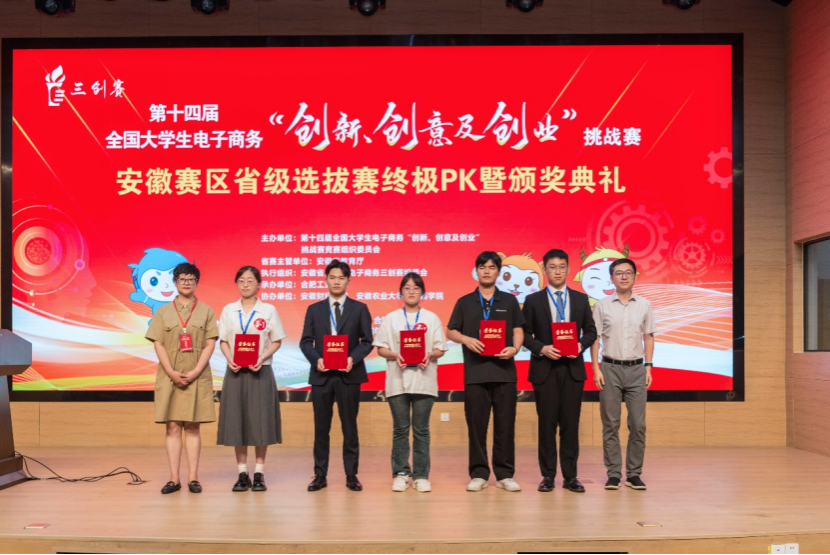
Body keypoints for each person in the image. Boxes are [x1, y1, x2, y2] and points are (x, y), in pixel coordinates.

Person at [447, 251, 525, 493]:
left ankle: (505, 474)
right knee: (476, 428)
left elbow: (518, 329)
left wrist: (515, 348)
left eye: (492, 267)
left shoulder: (509, 301)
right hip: (475, 374)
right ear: (476, 271)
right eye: (482, 267)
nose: (487, 271)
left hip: (504, 374)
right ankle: (479, 474)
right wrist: (466, 339)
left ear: (498, 271)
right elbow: (451, 331)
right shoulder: (464, 302)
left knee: (505, 427)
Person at [522, 249, 597, 493]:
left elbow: (591, 331)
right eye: (552, 267)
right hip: (545, 369)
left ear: (568, 269)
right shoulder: (533, 300)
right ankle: (547, 476)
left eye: (562, 267)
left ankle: (571, 476)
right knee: (546, 425)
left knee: (570, 425)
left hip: (572, 369)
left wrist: (580, 345)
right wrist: (541, 348)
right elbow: (524, 334)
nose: (557, 271)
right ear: (545, 269)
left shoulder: (580, 299)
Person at [300, 259, 374, 492]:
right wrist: (317, 359)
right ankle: (319, 475)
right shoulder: (314, 309)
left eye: (341, 278)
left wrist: (352, 358)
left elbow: (367, 341)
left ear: (348, 280)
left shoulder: (359, 308)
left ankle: (351, 475)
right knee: (321, 428)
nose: (336, 281)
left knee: (349, 427)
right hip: (322, 375)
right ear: (326, 280)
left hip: (348, 375)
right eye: (332, 277)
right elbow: (305, 342)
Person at [146, 262, 218, 495]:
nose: (187, 283)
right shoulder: (163, 311)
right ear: (175, 282)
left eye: (191, 279)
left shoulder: (206, 311)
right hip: (170, 376)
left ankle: (193, 478)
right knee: (173, 427)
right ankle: (174, 479)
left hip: (197, 375)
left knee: (193, 427)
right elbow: (158, 343)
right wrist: (170, 371)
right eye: (182, 279)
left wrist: (196, 371)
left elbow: (210, 344)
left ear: (197, 283)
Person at [374, 273, 448, 493]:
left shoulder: (431, 318)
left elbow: (440, 348)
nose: (411, 292)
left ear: (422, 292)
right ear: (401, 292)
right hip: (397, 381)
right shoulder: (391, 318)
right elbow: (381, 348)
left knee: (421, 430)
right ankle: (400, 473)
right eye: (407, 288)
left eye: (416, 288)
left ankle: (421, 475)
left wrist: (430, 354)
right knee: (400, 429)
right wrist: (395, 354)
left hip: (424, 381)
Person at [217, 266, 287, 493]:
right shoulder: (229, 310)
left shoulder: (268, 310)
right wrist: (229, 358)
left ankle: (258, 473)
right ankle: (241, 474)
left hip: (260, 371)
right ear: (236, 283)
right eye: (241, 280)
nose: (245, 284)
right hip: (235, 372)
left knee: (261, 422)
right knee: (237, 421)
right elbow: (223, 341)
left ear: (259, 284)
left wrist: (262, 357)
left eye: (250, 280)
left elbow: (276, 340)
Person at [590, 258, 656, 492]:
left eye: (628, 272)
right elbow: (595, 338)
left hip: (637, 370)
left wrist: (648, 366)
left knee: (638, 424)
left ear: (635, 276)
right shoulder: (601, 306)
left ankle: (634, 474)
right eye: (618, 273)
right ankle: (614, 474)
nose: (624, 276)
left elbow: (649, 336)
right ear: (611, 278)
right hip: (609, 369)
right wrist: (595, 368)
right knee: (611, 424)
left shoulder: (645, 305)